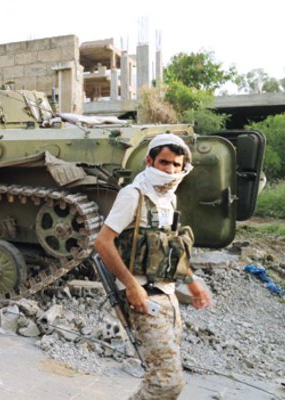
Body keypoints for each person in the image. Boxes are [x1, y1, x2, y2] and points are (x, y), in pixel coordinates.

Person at [94, 133, 211, 400]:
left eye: (176, 165)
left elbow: (171, 249)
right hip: (143, 297)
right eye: (163, 162)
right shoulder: (133, 195)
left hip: (168, 297)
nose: (170, 170)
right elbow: (102, 243)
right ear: (149, 161)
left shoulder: (170, 198)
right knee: (166, 383)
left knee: (162, 375)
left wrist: (192, 282)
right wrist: (132, 286)